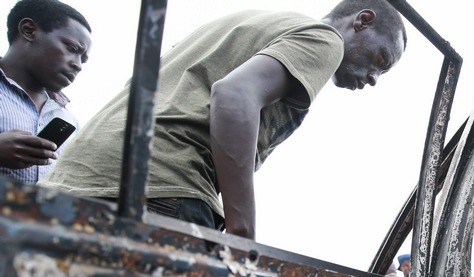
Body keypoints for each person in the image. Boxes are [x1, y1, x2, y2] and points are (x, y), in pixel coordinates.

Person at [42, 0, 406, 240]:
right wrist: (242, 231)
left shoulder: (256, 23)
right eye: (382, 59)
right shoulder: (325, 40)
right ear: (363, 20)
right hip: (161, 186)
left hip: (81, 178)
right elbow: (234, 95)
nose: (374, 77)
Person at [0, 0, 91, 184]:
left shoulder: (70, 122)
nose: (78, 65)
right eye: (71, 49)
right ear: (28, 30)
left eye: (83, 59)